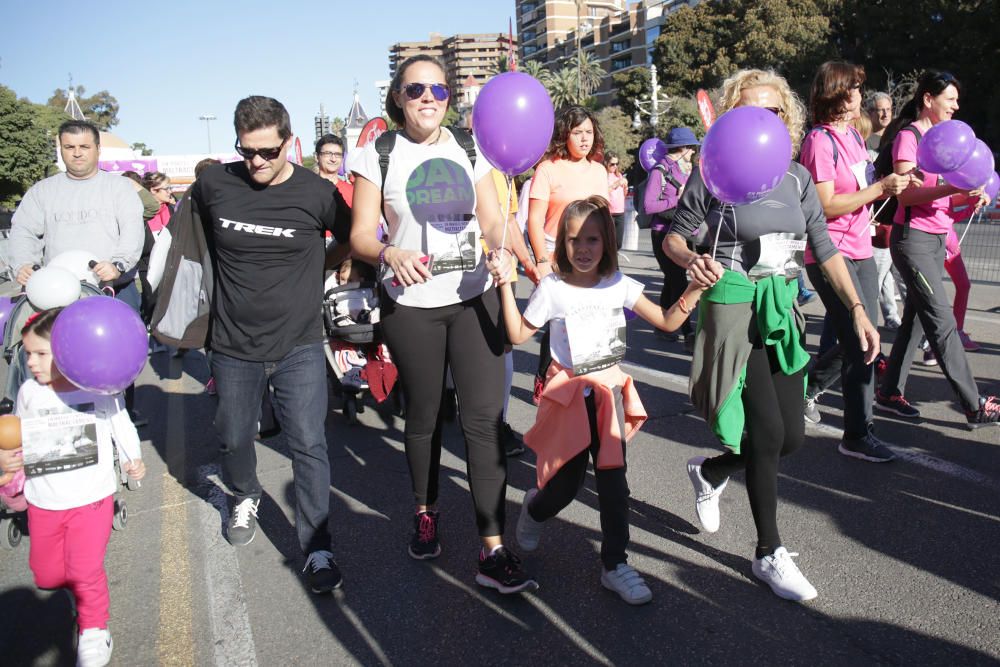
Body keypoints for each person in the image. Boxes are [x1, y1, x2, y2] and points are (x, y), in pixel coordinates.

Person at [667, 68, 880, 602]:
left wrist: (856, 307)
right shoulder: (713, 170)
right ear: (731, 116)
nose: (764, 121)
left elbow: (824, 249)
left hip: (783, 310)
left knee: (790, 438)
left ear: (788, 119)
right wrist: (693, 260)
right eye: (750, 111)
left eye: (775, 112)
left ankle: (711, 469)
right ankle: (768, 552)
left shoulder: (796, 178)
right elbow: (674, 237)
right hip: (737, 307)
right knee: (765, 432)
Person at [349, 54, 537, 594]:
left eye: (438, 89)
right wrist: (388, 252)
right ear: (398, 98)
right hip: (411, 307)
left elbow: (494, 219)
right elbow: (361, 233)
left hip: (474, 299)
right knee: (426, 418)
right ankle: (426, 510)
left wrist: (513, 257)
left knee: (483, 422)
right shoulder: (378, 153)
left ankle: (493, 548)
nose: (428, 98)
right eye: (415, 90)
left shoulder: (470, 147)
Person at [503, 196, 704, 605]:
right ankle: (535, 509)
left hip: (608, 394)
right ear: (562, 242)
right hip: (567, 397)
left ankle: (615, 564)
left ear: (607, 242)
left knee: (614, 485)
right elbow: (518, 336)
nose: (583, 248)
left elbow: (667, 320)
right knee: (564, 487)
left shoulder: (620, 284)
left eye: (592, 239)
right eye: (574, 239)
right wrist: (505, 284)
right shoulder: (552, 288)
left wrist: (697, 288)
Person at [191, 95, 351, 593]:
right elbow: (190, 243)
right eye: (247, 151)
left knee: (309, 443)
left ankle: (318, 545)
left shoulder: (317, 192)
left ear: (289, 141)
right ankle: (244, 494)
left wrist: (328, 265)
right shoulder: (215, 183)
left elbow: (349, 236)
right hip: (232, 344)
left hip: (300, 342)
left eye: (267, 151)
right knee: (235, 438)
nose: (256, 162)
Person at [3, 309, 145, 667]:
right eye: (28, 353)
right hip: (43, 500)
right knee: (47, 574)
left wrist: (133, 458)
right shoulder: (29, 392)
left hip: (91, 499)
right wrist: (8, 461)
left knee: (85, 569)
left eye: (41, 354)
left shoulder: (98, 389)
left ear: (69, 350)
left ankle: (94, 630)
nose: (31, 362)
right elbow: (17, 438)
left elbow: (120, 424)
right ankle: (78, 597)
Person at [798, 61, 915, 460]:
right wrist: (880, 188)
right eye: (856, 89)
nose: (861, 96)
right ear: (838, 93)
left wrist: (894, 185)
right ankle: (857, 434)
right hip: (830, 252)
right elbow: (826, 205)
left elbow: (864, 187)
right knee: (862, 341)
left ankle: (808, 387)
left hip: (862, 249)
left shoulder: (851, 135)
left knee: (864, 335)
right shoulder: (819, 141)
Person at [873, 70, 1000, 426]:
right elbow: (907, 193)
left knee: (916, 320)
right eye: (950, 99)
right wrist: (949, 190)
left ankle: (887, 392)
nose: (956, 106)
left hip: (936, 240)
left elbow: (947, 196)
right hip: (912, 240)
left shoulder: (948, 140)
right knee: (942, 323)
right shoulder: (909, 138)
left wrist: (971, 195)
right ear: (928, 99)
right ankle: (974, 404)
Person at [9, 120, 146, 424]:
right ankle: (65, 418)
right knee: (58, 360)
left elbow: (133, 232)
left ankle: (121, 418)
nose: (77, 154)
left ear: (98, 149)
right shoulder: (42, 191)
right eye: (69, 147)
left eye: (84, 147)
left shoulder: (119, 187)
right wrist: (23, 264)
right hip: (56, 294)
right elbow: (22, 232)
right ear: (61, 150)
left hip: (112, 289)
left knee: (116, 360)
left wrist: (119, 264)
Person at [527, 107, 610, 401]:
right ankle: (545, 378)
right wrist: (541, 260)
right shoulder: (548, 168)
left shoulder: (600, 171)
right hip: (556, 253)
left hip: (593, 253)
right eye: (578, 133)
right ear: (565, 134)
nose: (585, 139)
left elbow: (606, 219)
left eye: (589, 132)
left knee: (590, 319)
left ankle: (589, 382)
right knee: (560, 322)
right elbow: (534, 220)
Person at [645, 126, 700, 350]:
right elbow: (649, 205)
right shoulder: (660, 170)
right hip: (662, 233)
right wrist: (677, 199)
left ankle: (662, 325)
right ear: (685, 149)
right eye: (692, 148)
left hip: (682, 233)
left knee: (671, 280)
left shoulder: (685, 170)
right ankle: (688, 333)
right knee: (678, 282)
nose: (693, 152)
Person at [314, 134, 354, 206]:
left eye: (338, 154)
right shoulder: (306, 189)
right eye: (328, 153)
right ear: (317, 157)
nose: (333, 159)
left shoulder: (352, 191)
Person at [606, 152, 629, 249]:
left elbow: (624, 194)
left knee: (618, 243)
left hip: (620, 212)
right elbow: (603, 191)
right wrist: (616, 184)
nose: (615, 166)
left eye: (617, 164)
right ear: (606, 163)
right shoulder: (603, 175)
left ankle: (613, 261)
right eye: (612, 164)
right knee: (608, 242)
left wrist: (625, 186)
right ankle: (611, 263)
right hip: (608, 212)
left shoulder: (619, 175)